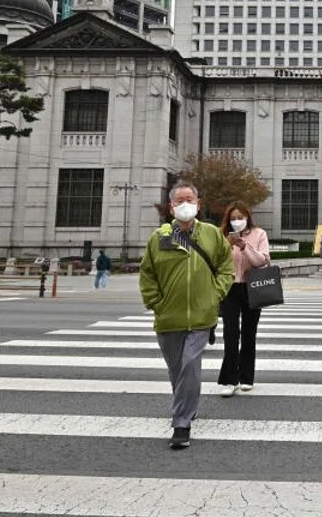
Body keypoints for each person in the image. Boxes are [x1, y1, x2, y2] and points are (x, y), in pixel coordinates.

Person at [139, 181, 233, 449]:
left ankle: (181, 423)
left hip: (202, 316)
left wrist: (215, 294)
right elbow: (147, 274)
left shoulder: (212, 234)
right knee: (177, 369)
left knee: (190, 364)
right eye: (179, 201)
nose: (185, 205)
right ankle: (187, 404)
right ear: (171, 207)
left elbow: (226, 267)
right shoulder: (159, 238)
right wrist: (155, 302)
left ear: (198, 204)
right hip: (169, 317)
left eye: (189, 199)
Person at [217, 202, 270, 397]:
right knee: (230, 333)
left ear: (247, 217)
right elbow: (216, 261)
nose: (236, 221)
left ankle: (247, 377)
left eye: (240, 217)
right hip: (230, 288)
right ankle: (229, 379)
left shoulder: (259, 234)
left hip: (252, 287)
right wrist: (227, 246)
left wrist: (244, 245)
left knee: (249, 333)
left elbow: (261, 261)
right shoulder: (221, 235)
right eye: (233, 218)